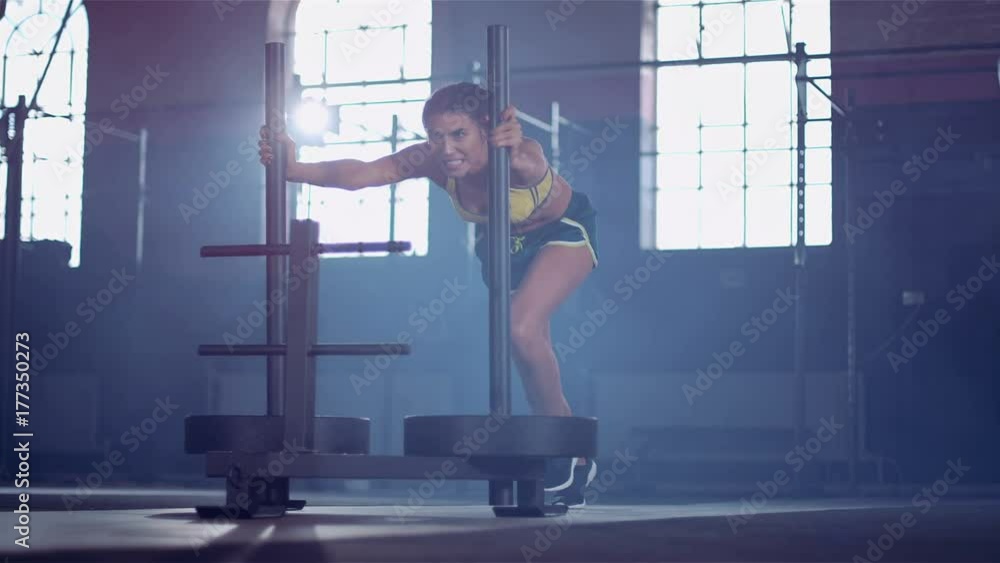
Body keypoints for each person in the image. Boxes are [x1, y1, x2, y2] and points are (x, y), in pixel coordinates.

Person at [259, 82, 598, 506]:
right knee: (527, 349)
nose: (447, 148)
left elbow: (532, 161)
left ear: (487, 129)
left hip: (560, 232)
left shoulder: (520, 154)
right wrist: (296, 169)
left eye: (459, 134)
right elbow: (364, 173)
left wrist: (514, 149)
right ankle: (572, 450)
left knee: (522, 328)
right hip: (499, 245)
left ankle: (564, 450)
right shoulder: (433, 160)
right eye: (436, 136)